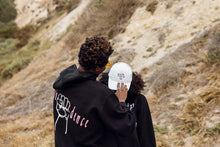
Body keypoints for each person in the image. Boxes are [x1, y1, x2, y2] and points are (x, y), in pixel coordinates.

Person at [52, 36, 140, 147]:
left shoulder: (62, 82)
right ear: (98, 68)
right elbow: (126, 126)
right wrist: (121, 102)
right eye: (106, 64)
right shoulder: (101, 95)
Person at [100, 62, 157, 147]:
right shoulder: (102, 98)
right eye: (115, 87)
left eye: (123, 87)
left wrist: (121, 102)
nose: (119, 90)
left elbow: (146, 133)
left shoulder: (139, 100)